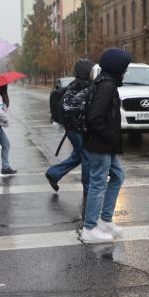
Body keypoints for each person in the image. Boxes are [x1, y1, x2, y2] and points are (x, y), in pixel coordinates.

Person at [81, 48, 131, 243]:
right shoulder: (106, 86)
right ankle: (90, 228)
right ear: (117, 67)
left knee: (118, 176)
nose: (125, 72)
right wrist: (110, 136)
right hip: (100, 144)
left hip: (105, 144)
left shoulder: (106, 83)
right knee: (98, 184)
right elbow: (94, 118)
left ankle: (105, 219)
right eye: (124, 68)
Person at [45, 59, 93, 196]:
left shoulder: (74, 85)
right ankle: (88, 189)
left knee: (78, 156)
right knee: (87, 158)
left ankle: (53, 174)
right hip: (78, 130)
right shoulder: (83, 86)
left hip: (72, 129)